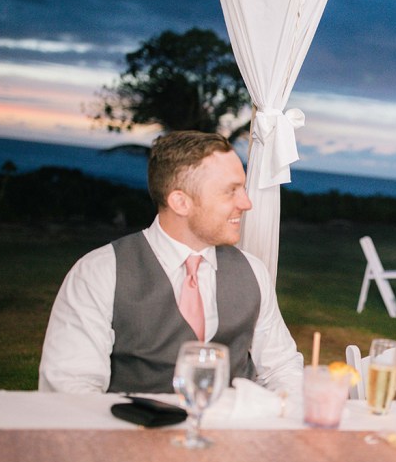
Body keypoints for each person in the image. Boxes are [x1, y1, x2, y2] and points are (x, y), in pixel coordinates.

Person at [38, 131, 303, 395]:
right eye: (230, 191)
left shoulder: (252, 271)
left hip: (234, 422)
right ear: (180, 202)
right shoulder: (99, 272)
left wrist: (284, 405)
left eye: (242, 188)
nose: (246, 203)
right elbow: (71, 389)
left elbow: (281, 368)